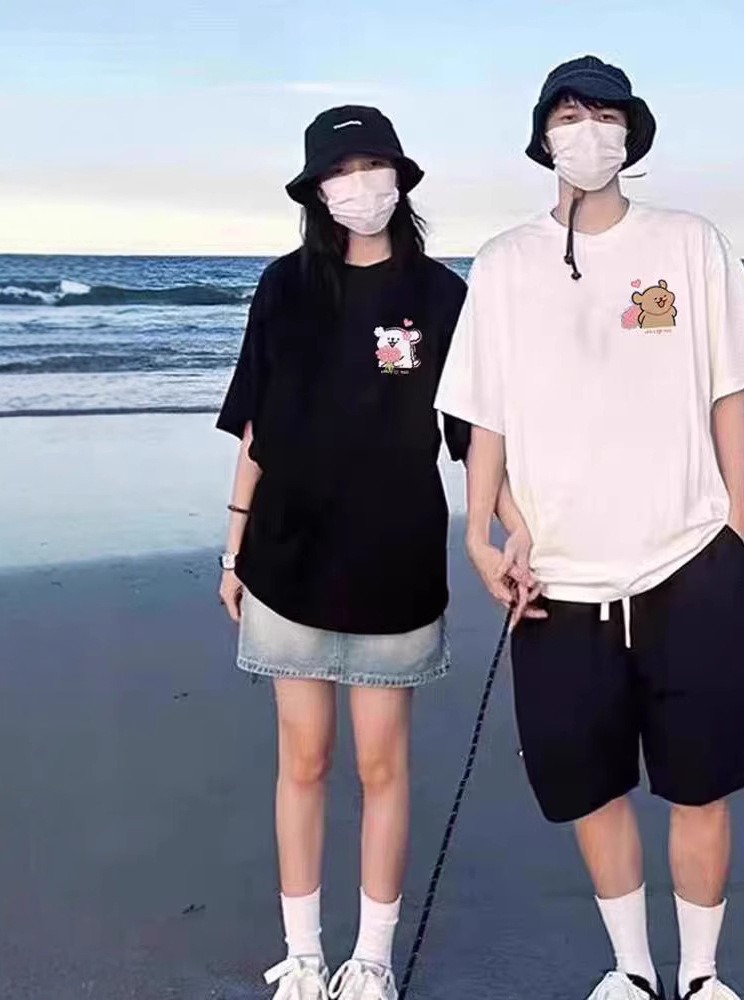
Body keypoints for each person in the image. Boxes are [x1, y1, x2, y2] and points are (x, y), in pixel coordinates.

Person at [435, 56, 744, 1000]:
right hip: (558, 579)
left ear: (630, 134)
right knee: (593, 787)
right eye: (569, 116)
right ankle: (633, 971)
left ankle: (701, 974)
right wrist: (483, 531)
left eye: (604, 115)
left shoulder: (688, 243)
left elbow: (730, 388)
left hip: (688, 560)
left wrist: (737, 525)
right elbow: (484, 416)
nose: (587, 132)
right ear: (544, 138)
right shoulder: (504, 262)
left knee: (701, 784)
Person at [216, 105, 469, 1000]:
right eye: (341, 171)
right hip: (287, 557)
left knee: (381, 765)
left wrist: (510, 528)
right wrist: (234, 545)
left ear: (399, 179)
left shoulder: (441, 296)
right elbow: (256, 424)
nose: (359, 186)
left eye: (373, 167)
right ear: (317, 191)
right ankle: (304, 954)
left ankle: (372, 958)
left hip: (397, 562)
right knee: (304, 759)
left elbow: (477, 437)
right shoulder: (284, 287)